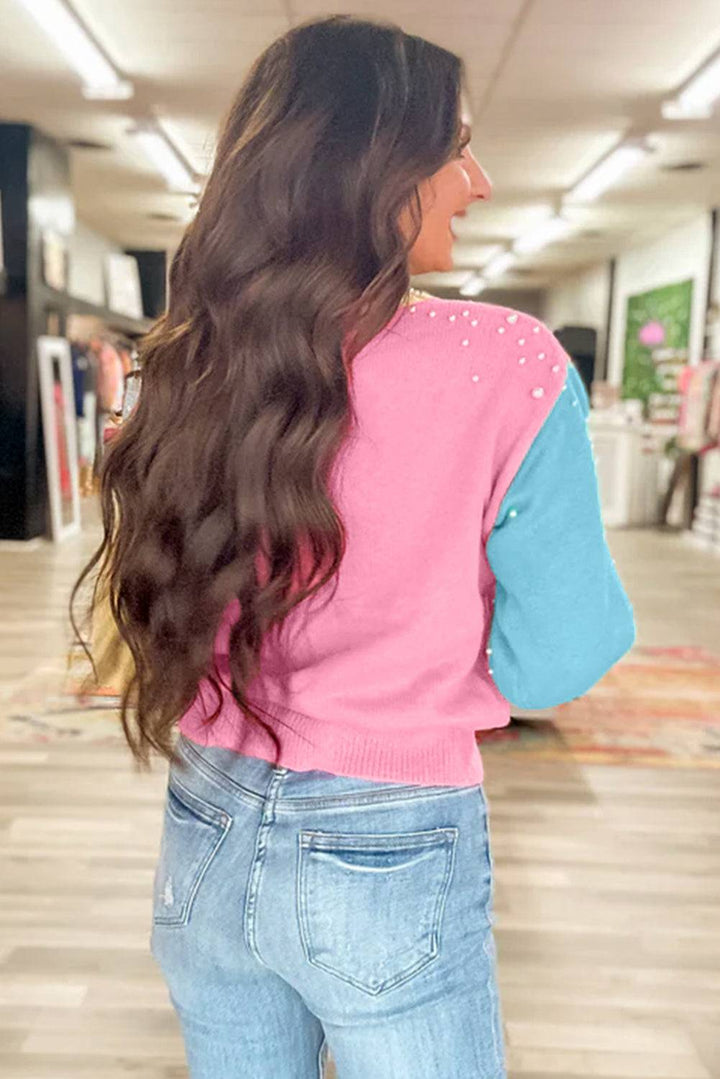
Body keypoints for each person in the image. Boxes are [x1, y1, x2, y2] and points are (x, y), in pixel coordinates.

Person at [70, 14, 635, 1078]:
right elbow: (566, 651)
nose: (481, 179)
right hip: (391, 838)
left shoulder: (186, 359)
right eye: (456, 145)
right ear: (375, 166)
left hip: (204, 814)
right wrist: (432, 651)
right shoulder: (508, 363)